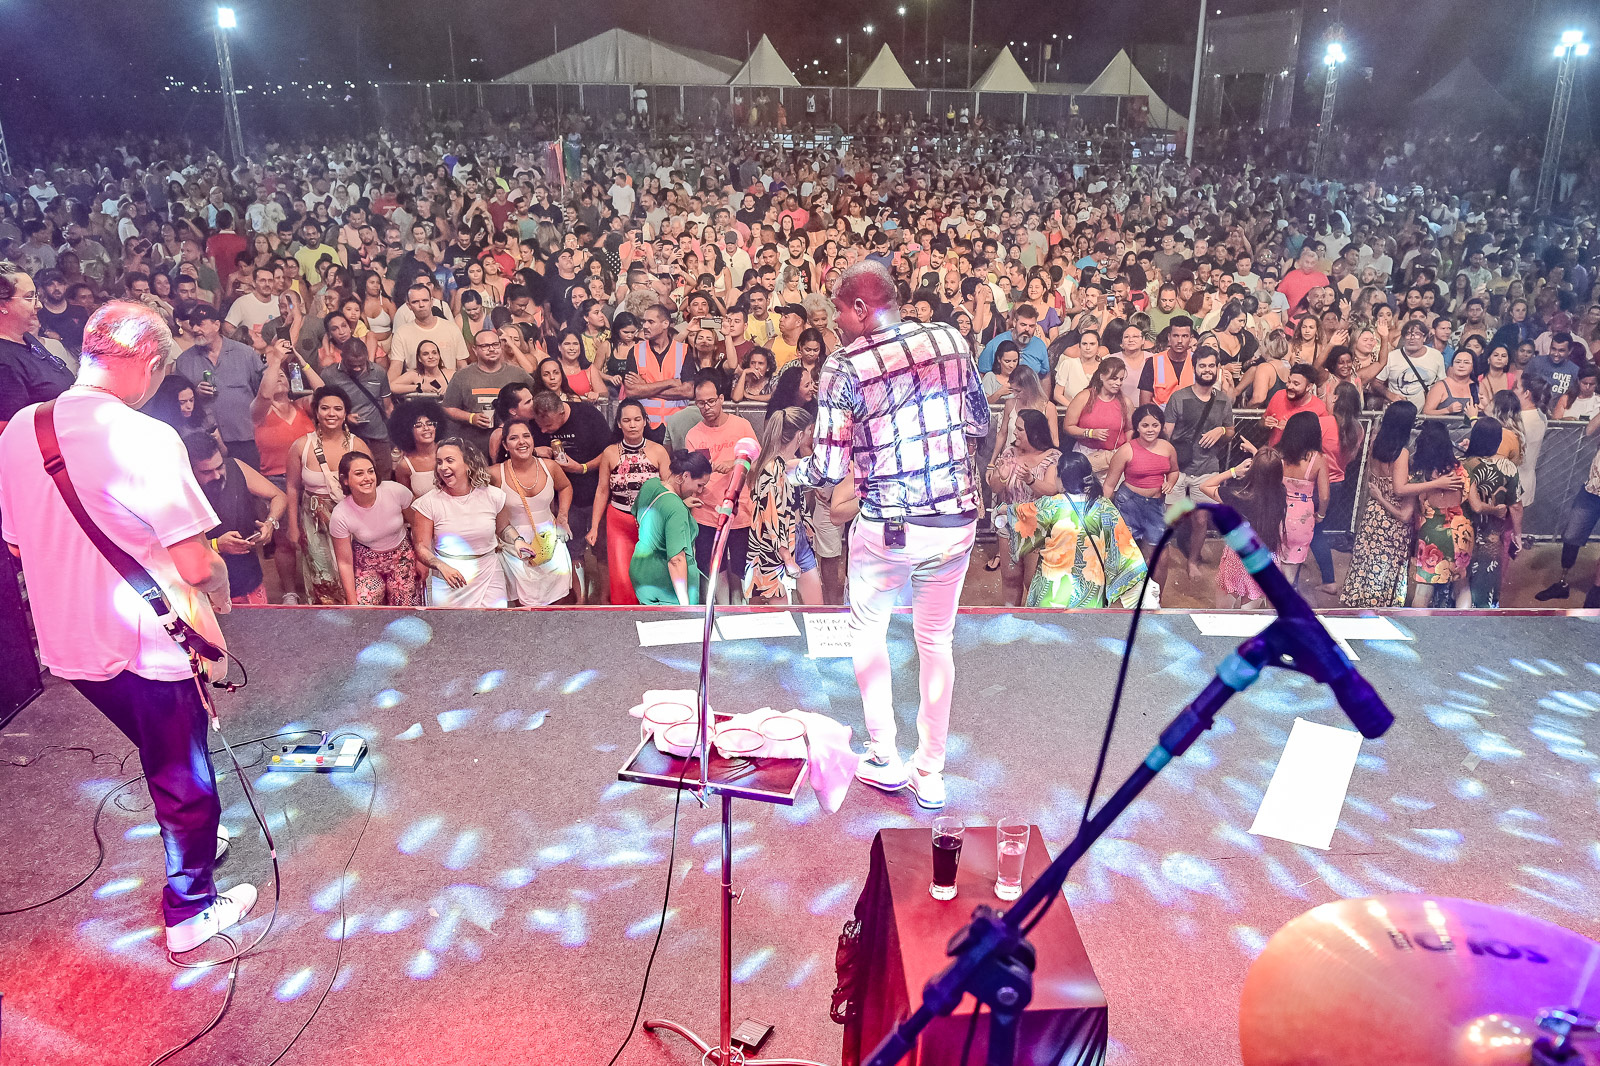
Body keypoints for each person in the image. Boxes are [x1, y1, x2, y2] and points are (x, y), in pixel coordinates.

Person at [0, 300, 256, 952]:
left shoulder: (22, 428)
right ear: (148, 361)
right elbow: (194, 565)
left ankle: (193, 837)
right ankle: (191, 911)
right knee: (184, 773)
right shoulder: (147, 437)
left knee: (161, 752)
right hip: (149, 639)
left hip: (69, 642)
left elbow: (19, 543)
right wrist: (217, 609)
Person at [786, 260, 990, 811]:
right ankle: (931, 771)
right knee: (936, 641)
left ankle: (884, 754)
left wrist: (789, 472)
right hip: (956, 521)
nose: (833, 321)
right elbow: (979, 423)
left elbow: (829, 470)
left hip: (890, 527)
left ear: (860, 308)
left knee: (868, 631)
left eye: (837, 310)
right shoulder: (949, 338)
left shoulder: (843, 365)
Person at [1001, 451, 1148, 607]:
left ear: (1062, 480)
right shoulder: (1105, 507)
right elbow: (1127, 551)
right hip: (1090, 596)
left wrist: (1002, 510)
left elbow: (1020, 516)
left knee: (1047, 623)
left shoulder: (1051, 506)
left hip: (1052, 595)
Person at [409, 438, 534, 608]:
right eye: (439, 462)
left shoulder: (493, 496)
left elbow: (503, 528)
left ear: (468, 464)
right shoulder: (428, 503)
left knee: (493, 622)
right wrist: (441, 566)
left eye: (449, 460)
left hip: (489, 573)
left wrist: (517, 540)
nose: (443, 467)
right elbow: (421, 547)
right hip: (450, 580)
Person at [285, 385, 370, 605]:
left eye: (337, 409)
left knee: (354, 572)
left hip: (352, 518)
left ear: (345, 413)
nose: (331, 414)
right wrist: (293, 526)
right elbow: (292, 487)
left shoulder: (357, 445)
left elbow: (371, 486)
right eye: (325, 408)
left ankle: (358, 615)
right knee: (321, 576)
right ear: (316, 411)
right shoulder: (301, 446)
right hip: (314, 521)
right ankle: (327, 621)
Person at [186, 430, 286, 605]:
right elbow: (178, 552)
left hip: (250, 579)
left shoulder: (235, 467)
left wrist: (270, 523)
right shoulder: (180, 494)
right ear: (188, 470)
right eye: (206, 472)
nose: (217, 475)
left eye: (219, 467)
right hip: (207, 591)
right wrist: (217, 545)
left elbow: (279, 496)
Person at [528, 389, 610, 597]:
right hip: (564, 498)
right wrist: (536, 451)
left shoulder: (588, 415)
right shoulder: (535, 424)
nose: (543, 430)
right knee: (573, 549)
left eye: (548, 425)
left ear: (561, 413)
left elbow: (609, 453)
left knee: (603, 550)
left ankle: (604, 598)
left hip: (596, 493)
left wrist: (582, 468)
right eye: (540, 425)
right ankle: (581, 600)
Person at [685, 370, 758, 602]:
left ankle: (740, 607)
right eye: (700, 403)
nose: (706, 407)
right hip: (706, 514)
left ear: (721, 398)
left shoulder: (742, 426)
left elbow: (758, 462)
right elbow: (692, 477)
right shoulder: (693, 434)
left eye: (710, 401)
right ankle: (719, 608)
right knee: (712, 568)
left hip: (740, 511)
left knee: (740, 567)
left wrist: (735, 464)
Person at [588, 399, 670, 605]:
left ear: (645, 421)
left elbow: (670, 489)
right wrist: (594, 527)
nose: (632, 425)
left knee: (651, 575)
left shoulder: (659, 451)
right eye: (627, 420)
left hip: (652, 522)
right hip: (619, 521)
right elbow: (602, 490)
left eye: (637, 419)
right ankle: (624, 618)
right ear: (618, 423)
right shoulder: (609, 452)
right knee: (622, 577)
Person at [1341, 401, 1418, 608]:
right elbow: (1399, 489)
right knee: (1386, 564)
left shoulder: (1375, 442)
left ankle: (1359, 600)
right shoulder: (1401, 453)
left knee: (1367, 559)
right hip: (1392, 517)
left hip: (1373, 511)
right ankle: (1381, 605)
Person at [492, 418, 575, 606]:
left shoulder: (550, 466)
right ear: (505, 445)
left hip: (550, 542)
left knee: (558, 601)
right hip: (514, 547)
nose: (521, 442)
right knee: (524, 608)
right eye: (514, 438)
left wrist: (562, 516)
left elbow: (565, 487)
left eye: (526, 436)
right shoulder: (495, 474)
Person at [745, 406, 823, 605]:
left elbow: (798, 504)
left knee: (816, 607)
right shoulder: (770, 469)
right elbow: (772, 517)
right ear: (800, 435)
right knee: (779, 614)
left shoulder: (790, 464)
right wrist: (787, 557)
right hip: (775, 546)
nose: (811, 435)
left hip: (798, 537)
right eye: (809, 431)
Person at [984, 408, 1062, 600]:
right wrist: (1002, 477)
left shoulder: (1053, 457)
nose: (1015, 432)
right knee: (1010, 579)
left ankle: (1032, 617)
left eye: (1020, 429)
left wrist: (1030, 480)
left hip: (1039, 527)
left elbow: (1051, 490)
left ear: (1034, 433)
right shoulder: (1010, 453)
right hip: (1010, 524)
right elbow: (995, 488)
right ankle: (1011, 616)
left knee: (1033, 582)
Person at [175, 303, 265, 469]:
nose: (195, 329)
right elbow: (177, 401)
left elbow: (262, 391)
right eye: (193, 324)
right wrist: (195, 394)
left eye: (200, 324)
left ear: (216, 325)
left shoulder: (245, 354)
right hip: (205, 441)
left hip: (244, 438)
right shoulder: (184, 361)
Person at [330, 452, 423, 606]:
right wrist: (352, 602)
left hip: (402, 555)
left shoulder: (395, 491)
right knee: (364, 604)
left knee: (406, 606)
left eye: (370, 471)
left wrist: (422, 560)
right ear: (345, 480)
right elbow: (344, 562)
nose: (367, 478)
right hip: (366, 562)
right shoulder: (340, 514)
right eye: (359, 474)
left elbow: (418, 525)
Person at [1198, 447, 1286, 609]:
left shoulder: (1238, 496)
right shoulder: (1281, 493)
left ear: (1253, 471)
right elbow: (1270, 471)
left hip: (1238, 559)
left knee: (1224, 613)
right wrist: (1259, 457)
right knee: (1249, 616)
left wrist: (1234, 471)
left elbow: (1205, 486)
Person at [1532, 411, 1600, 607]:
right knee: (1571, 535)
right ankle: (1563, 582)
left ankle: (1595, 595)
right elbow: (1589, 430)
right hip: (1592, 489)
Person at [631, 448, 714, 606]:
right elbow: (676, 560)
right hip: (667, 584)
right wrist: (684, 605)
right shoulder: (676, 509)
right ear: (685, 476)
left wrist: (679, 504)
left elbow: (641, 518)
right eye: (699, 485)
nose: (700, 491)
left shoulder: (650, 485)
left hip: (641, 574)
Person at [1404, 420, 1471, 608]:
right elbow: (1470, 498)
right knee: (1462, 585)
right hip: (1460, 531)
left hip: (1431, 533)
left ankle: (1419, 625)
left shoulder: (1419, 474)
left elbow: (1410, 500)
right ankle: (1463, 621)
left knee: (1423, 590)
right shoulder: (1461, 470)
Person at [0, 262, 75, 431]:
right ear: (2, 305)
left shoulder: (25, 338)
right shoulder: (3, 361)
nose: (38, 305)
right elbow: (10, 429)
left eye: (36, 297)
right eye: (29, 297)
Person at [1103, 402, 1179, 566]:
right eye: (1145, 425)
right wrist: (1102, 510)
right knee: (1125, 555)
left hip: (1156, 505)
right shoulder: (1126, 450)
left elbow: (1174, 471)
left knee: (1159, 556)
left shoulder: (1168, 448)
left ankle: (1152, 584)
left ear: (1161, 426)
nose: (1150, 430)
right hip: (1129, 504)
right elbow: (1109, 485)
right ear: (1137, 427)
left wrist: (1170, 483)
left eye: (1155, 425)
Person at [442, 327, 535, 455]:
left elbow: (536, 401)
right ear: (475, 349)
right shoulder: (462, 376)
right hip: (474, 448)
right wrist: (471, 417)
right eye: (485, 346)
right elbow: (448, 408)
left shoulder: (518, 374)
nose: (491, 349)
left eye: (495, 344)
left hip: (511, 449)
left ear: (501, 346)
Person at [1460, 417, 1520, 609]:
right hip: (1491, 534)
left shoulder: (1464, 465)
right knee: (1487, 576)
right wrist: (1518, 534)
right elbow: (1516, 505)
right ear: (1498, 440)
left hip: (1463, 530)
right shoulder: (1508, 468)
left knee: (1460, 578)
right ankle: (1484, 612)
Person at [1062, 356, 1131, 480]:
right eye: (1114, 378)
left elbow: (1130, 430)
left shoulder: (1125, 402)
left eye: (1121, 379)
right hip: (1087, 455)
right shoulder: (1084, 397)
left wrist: (1125, 450)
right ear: (1101, 376)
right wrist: (1090, 433)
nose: (1118, 383)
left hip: (1114, 456)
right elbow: (1068, 427)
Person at [1262, 363, 1327, 446]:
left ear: (1309, 387)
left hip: (1299, 453)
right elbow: (1262, 421)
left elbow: (1319, 441)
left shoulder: (1319, 408)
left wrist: (1292, 428)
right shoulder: (1279, 395)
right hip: (1273, 451)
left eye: (1296, 384)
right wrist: (1265, 423)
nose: (1289, 386)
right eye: (1289, 381)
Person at [390, 399, 444, 497]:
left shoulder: (448, 451)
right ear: (407, 431)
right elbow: (407, 500)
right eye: (418, 426)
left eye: (430, 423)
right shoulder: (404, 466)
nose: (426, 428)